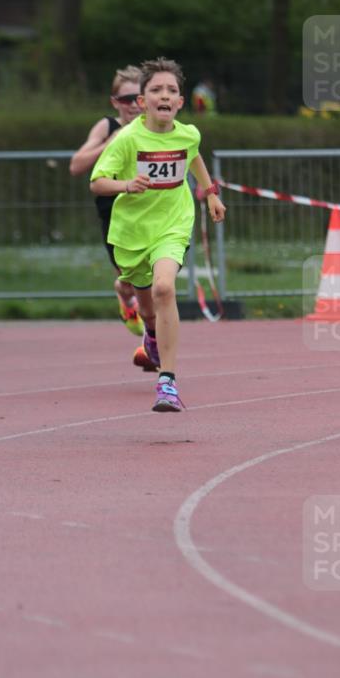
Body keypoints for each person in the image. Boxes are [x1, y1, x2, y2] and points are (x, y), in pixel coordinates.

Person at [90, 57, 226, 412]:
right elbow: (97, 182)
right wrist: (126, 184)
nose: (164, 95)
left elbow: (192, 155)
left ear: (180, 101)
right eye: (156, 90)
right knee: (147, 309)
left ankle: (167, 382)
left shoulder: (189, 133)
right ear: (142, 101)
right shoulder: (127, 140)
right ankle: (150, 332)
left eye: (171, 90)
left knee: (165, 287)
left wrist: (210, 193)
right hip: (133, 232)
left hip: (173, 222)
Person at [70, 66, 145, 336]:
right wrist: (110, 142)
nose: (134, 105)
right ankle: (125, 299)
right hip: (114, 211)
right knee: (128, 282)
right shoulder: (107, 126)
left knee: (153, 279)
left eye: (139, 98)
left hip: (149, 209)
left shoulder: (154, 127)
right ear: (115, 102)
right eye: (127, 100)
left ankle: (153, 345)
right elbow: (76, 165)